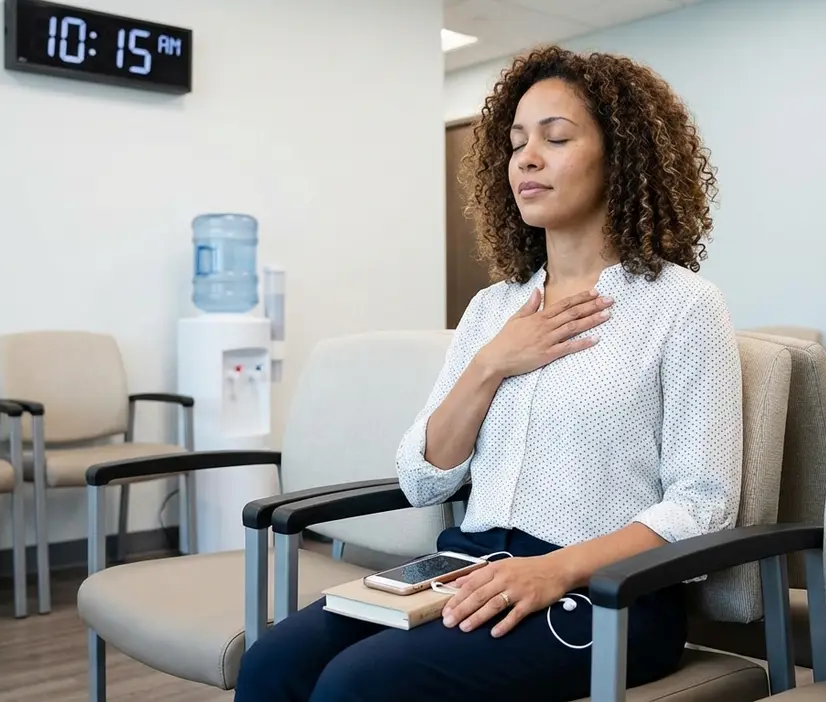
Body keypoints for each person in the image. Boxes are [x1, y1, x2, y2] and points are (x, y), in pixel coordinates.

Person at [235, 45, 743, 702]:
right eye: (515, 143)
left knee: (357, 687)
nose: (526, 158)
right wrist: (491, 363)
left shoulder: (680, 306)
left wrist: (552, 572)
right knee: (273, 662)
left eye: (555, 138)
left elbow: (702, 504)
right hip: (467, 565)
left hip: (609, 592)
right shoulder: (493, 308)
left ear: (622, 157)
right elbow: (423, 479)